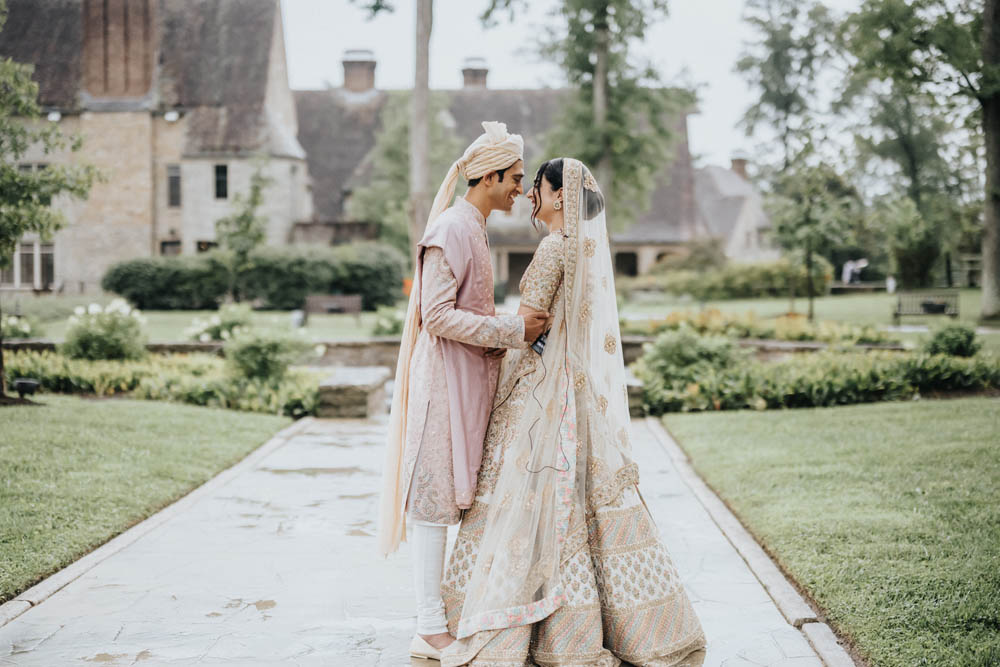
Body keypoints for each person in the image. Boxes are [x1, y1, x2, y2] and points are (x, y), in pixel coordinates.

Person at [439, 158, 706, 666]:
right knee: (585, 507)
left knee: (526, 504)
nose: (531, 196)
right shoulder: (586, 252)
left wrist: (500, 382)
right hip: (578, 394)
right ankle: (637, 624)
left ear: (561, 196)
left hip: (541, 396)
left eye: (536, 187)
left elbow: (528, 325)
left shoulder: (551, 248)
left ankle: (542, 629)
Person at [377, 121, 551, 662]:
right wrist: (511, 331)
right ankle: (429, 628)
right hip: (441, 386)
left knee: (451, 499)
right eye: (515, 178)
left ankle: (443, 617)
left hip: (468, 380)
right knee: (431, 504)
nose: (521, 190)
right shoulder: (451, 227)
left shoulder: (474, 226)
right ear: (488, 175)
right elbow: (436, 316)